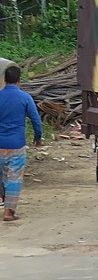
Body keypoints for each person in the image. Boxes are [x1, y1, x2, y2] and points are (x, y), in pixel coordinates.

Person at [0, 65, 43, 222]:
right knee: (14, 177)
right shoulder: (25, 98)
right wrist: (38, 138)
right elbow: (36, 121)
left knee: (2, 176)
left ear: (4, 79)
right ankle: (9, 212)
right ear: (19, 80)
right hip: (16, 145)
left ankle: (5, 198)